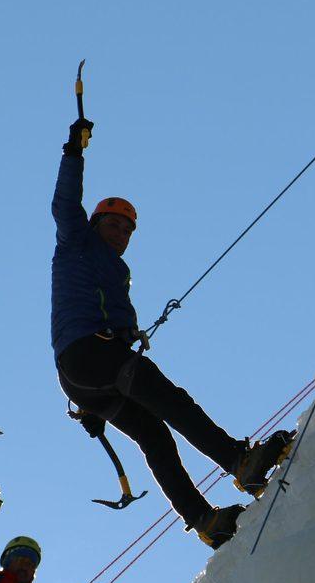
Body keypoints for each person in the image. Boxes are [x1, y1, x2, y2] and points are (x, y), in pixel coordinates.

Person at [51, 117, 294, 548]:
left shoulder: (114, 268)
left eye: (127, 230)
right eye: (114, 224)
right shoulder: (76, 241)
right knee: (171, 401)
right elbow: (65, 204)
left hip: (85, 373)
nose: (121, 234)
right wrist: (74, 151)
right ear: (94, 224)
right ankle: (239, 461)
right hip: (90, 354)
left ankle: (205, 521)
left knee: (154, 435)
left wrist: (92, 405)